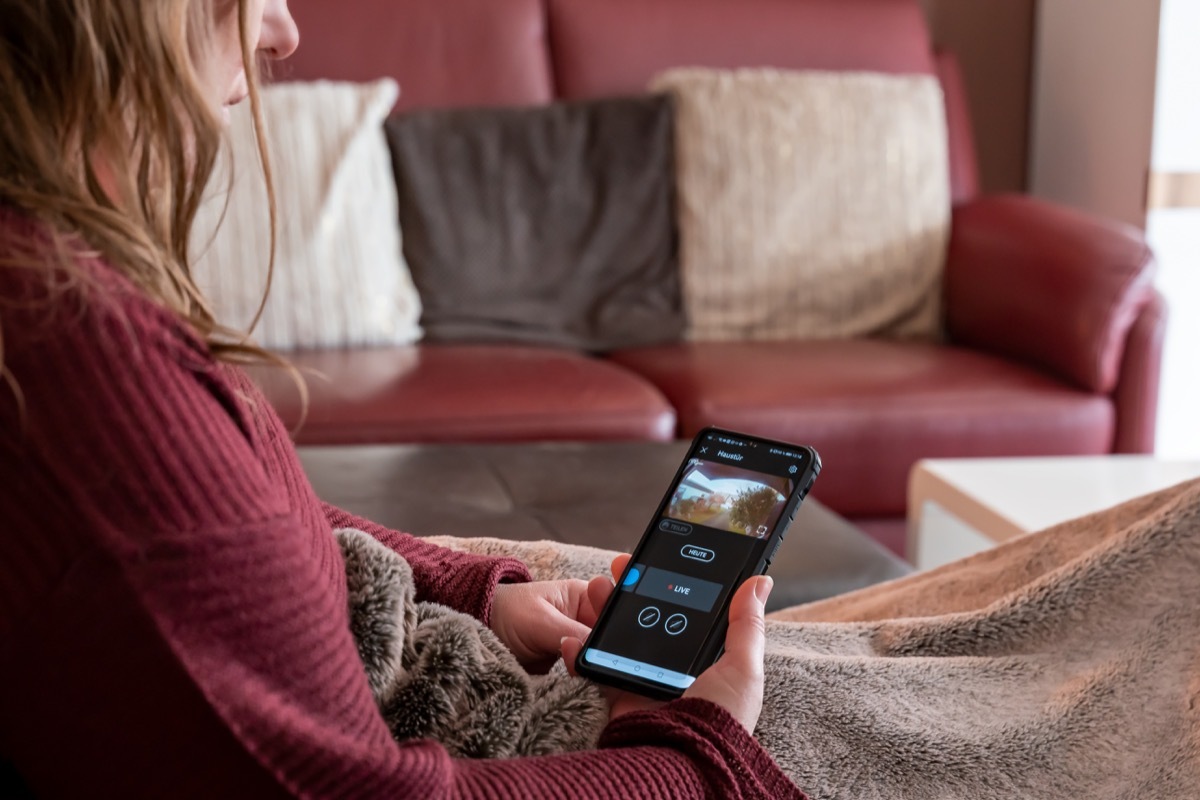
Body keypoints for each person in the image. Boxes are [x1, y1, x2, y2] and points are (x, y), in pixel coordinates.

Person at [0, 1, 803, 797]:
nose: (281, 32)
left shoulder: (54, 297)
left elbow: (240, 522)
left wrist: (480, 592)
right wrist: (696, 756)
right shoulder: (87, 373)